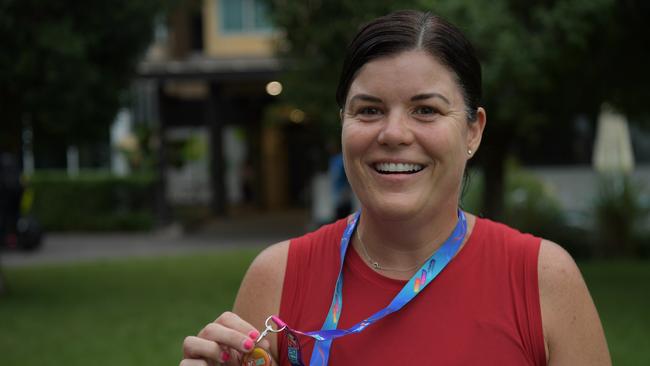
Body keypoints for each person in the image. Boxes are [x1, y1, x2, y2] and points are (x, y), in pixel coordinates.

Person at [181, 10, 610, 366]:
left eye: (425, 110)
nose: (394, 133)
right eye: (369, 110)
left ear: (473, 132)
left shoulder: (542, 279)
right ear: (343, 125)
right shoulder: (277, 276)